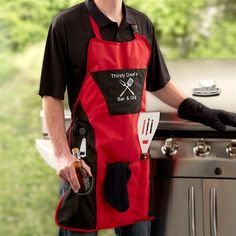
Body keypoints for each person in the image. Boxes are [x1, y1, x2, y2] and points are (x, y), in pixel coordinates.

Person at [39, 0, 236, 236]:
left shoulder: (142, 24)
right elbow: (51, 96)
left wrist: (201, 111)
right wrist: (62, 156)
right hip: (87, 162)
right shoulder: (67, 24)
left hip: (134, 159)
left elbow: (159, 84)